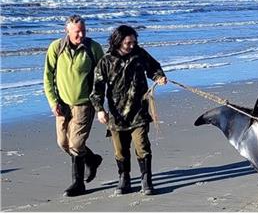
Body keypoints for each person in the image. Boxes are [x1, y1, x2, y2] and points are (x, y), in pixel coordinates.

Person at [91, 25, 167, 195]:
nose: (132, 45)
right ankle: (124, 178)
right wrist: (99, 110)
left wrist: (159, 77)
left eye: (134, 41)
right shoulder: (106, 61)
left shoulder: (140, 54)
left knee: (142, 146)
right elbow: (97, 88)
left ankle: (146, 179)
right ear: (118, 41)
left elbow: (154, 67)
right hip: (117, 115)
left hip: (139, 111)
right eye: (128, 42)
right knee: (120, 150)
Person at [43, 14, 105, 197]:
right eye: (77, 32)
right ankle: (92, 159)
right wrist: (53, 102)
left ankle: (78, 183)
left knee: (76, 144)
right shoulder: (56, 47)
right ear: (67, 31)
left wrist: (99, 103)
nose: (81, 35)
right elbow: (47, 77)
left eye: (83, 31)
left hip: (84, 104)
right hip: (62, 105)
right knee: (63, 143)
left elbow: (102, 77)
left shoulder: (93, 48)